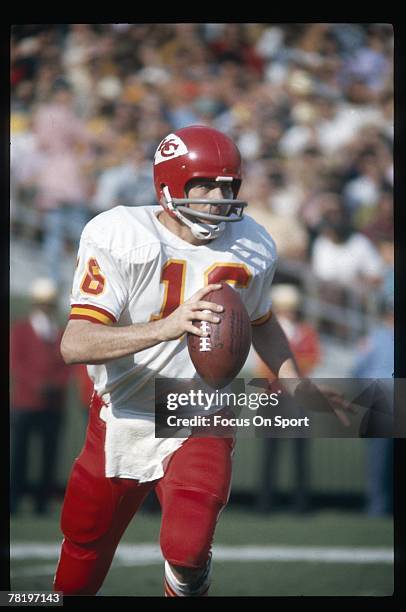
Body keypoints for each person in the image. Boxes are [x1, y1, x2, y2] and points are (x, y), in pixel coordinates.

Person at [53, 125, 349, 597]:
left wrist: (293, 379)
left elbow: (260, 320)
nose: (219, 197)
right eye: (206, 184)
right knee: (83, 548)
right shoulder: (120, 235)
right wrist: (167, 326)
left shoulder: (251, 242)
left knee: (188, 554)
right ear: (169, 186)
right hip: (120, 415)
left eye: (228, 185)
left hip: (197, 412)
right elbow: (76, 343)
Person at [255, 284, 321, 513]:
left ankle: (301, 504)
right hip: (273, 396)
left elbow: (313, 358)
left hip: (298, 397)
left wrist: (289, 368)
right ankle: (265, 502)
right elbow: (264, 366)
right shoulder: (268, 334)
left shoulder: (306, 332)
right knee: (270, 451)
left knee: (299, 451)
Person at [10, 278, 70, 515]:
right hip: (26, 403)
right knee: (19, 454)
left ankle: (42, 503)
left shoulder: (59, 332)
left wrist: (55, 385)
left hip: (53, 404)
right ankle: (14, 499)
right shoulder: (22, 330)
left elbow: (68, 365)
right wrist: (37, 385)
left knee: (49, 454)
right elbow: (17, 363)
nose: (46, 308)